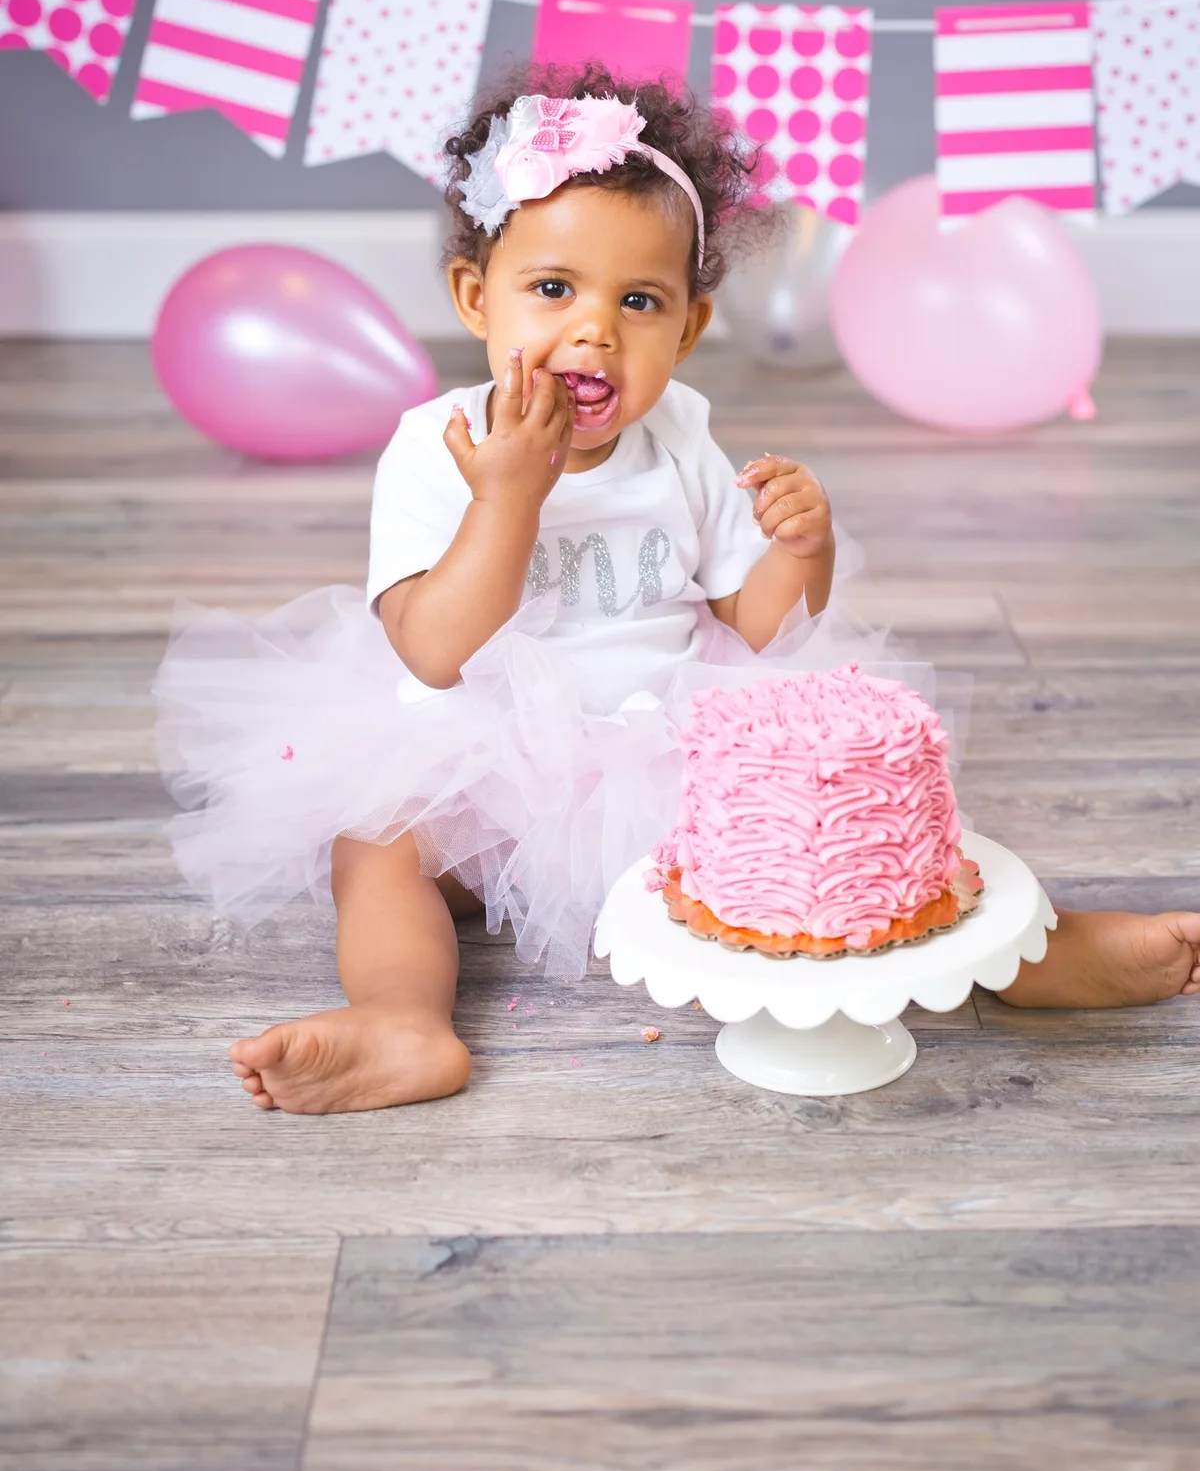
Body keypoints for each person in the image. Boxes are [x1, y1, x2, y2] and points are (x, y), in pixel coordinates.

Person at [155, 65, 1200, 1116]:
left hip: (660, 759)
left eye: (639, 301)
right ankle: (403, 1017)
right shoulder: (439, 447)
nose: (596, 329)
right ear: (479, 298)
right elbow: (432, 649)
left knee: (836, 833)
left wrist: (799, 548)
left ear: (688, 330)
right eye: (553, 289)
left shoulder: (682, 438)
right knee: (374, 844)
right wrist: (509, 499)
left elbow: (763, 628)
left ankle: (1036, 953)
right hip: (475, 771)